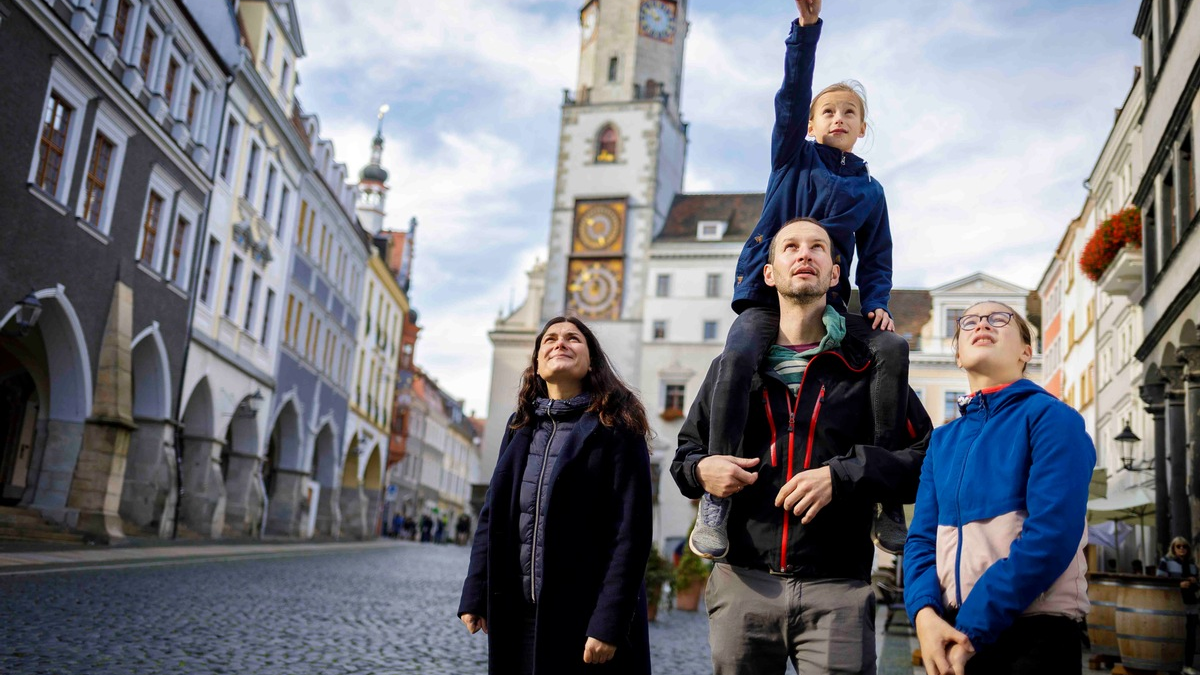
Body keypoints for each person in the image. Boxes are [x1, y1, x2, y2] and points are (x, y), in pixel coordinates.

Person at [691, 0, 911, 561]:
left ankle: (887, 496)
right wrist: (806, 34)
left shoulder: (872, 192)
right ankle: (715, 503)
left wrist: (878, 301)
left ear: (864, 128)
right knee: (737, 358)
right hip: (769, 299)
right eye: (828, 112)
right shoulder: (792, 159)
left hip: (832, 304)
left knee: (891, 347)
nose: (838, 119)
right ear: (812, 124)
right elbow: (790, 97)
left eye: (850, 113)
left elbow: (877, 256)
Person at [672, 217, 930, 675]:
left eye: (818, 247)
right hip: (742, 584)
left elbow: (925, 460)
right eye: (790, 246)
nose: (804, 254)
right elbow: (685, 456)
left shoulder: (870, 367)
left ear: (835, 273)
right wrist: (701, 471)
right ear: (769, 273)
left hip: (839, 590)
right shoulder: (731, 367)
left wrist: (843, 474)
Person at [904, 302, 1093, 675]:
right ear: (957, 354)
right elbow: (921, 540)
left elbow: (1051, 535)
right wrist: (924, 614)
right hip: (952, 630)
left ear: (1027, 351)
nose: (982, 324)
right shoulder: (942, 442)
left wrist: (971, 629)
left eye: (998, 318)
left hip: (1034, 635)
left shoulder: (1053, 418)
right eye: (969, 322)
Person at [458, 317, 653, 675]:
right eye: (549, 339)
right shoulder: (520, 425)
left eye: (572, 338)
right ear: (537, 363)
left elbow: (632, 533)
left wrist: (609, 622)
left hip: (585, 618)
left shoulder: (617, 425)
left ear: (591, 361)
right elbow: (493, 514)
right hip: (519, 614)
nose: (559, 343)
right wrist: (476, 592)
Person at [1158, 536, 1199, 673]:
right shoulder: (1166, 561)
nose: (1182, 549)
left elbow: (1198, 584)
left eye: (1184, 546)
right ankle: (1172, 666)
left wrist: (1194, 582)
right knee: (1174, 635)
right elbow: (1160, 581)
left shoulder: (1192, 564)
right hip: (1174, 605)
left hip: (1191, 604)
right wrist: (1178, 585)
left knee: (1191, 636)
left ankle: (1188, 665)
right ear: (1173, 548)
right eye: (1178, 546)